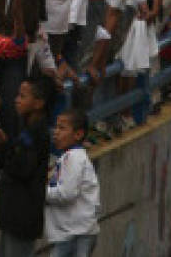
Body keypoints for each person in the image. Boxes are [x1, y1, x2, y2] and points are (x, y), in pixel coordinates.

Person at [0, 76, 54, 257]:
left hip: (22, 217)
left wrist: (3, 147)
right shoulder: (27, 129)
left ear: (38, 103)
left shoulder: (36, 133)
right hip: (14, 216)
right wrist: (6, 144)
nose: (16, 99)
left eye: (23, 96)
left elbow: (22, 168)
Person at [45, 108, 100, 257]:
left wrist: (40, 192)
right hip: (73, 232)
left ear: (78, 134)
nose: (56, 132)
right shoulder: (69, 157)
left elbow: (66, 194)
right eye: (56, 127)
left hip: (74, 234)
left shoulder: (73, 158)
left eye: (62, 128)